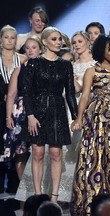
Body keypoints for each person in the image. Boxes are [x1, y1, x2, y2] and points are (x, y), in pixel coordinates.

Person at [70, 34, 110, 215]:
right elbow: (85, 96)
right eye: (109, 49)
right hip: (97, 119)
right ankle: (90, 203)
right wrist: (78, 118)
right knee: (94, 157)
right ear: (101, 49)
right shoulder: (91, 71)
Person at [19, 26, 77, 202]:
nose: (58, 42)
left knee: (56, 154)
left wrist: (76, 117)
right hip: (36, 112)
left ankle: (54, 198)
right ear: (44, 41)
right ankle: (37, 196)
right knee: (37, 153)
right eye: (54, 39)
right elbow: (27, 91)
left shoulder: (66, 65)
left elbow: (70, 92)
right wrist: (30, 115)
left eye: (59, 39)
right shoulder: (34, 62)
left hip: (57, 112)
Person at [5, 36, 43, 182]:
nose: (30, 50)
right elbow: (11, 94)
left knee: (39, 151)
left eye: (34, 47)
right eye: (27, 48)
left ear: (40, 49)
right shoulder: (19, 69)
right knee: (20, 152)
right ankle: (24, 194)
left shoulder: (48, 68)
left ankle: (39, 190)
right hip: (20, 114)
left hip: (40, 111)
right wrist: (9, 117)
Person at [0, 24, 27, 194]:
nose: (9, 40)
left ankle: (15, 188)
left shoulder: (22, 59)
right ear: (0, 39)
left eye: (12, 37)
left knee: (16, 148)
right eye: (6, 37)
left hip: (17, 111)